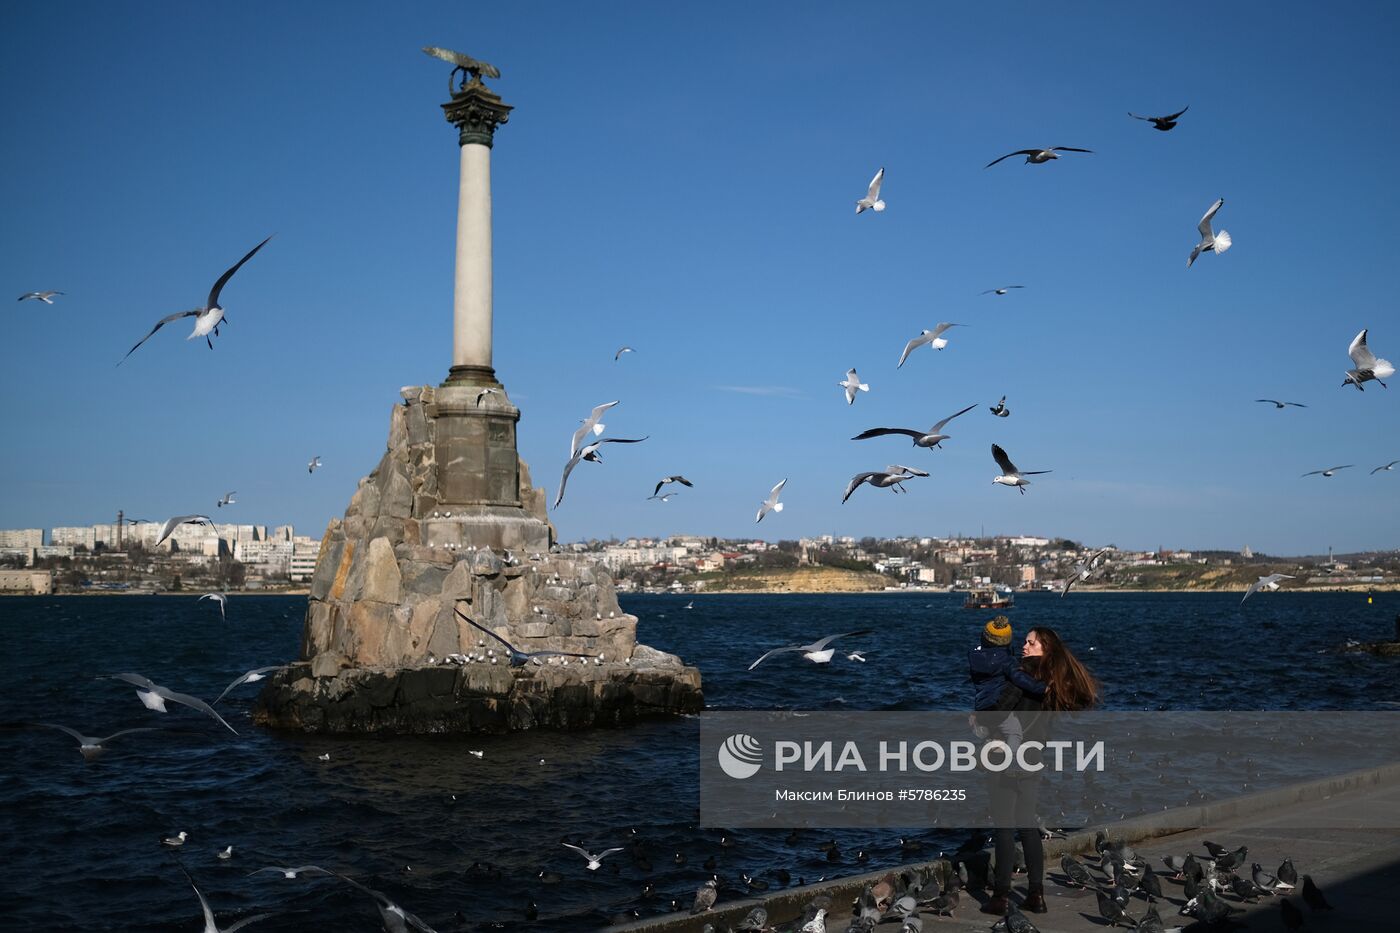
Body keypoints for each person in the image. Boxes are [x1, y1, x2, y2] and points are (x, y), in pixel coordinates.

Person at [979, 626, 1099, 917]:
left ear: (1044, 649)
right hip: (1033, 758)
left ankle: (1001, 896)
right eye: (1024, 641)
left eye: (1030, 643)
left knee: (1005, 827)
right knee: (1028, 826)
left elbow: (996, 713)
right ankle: (1036, 895)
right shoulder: (1053, 683)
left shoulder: (1020, 677)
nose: (1023, 646)